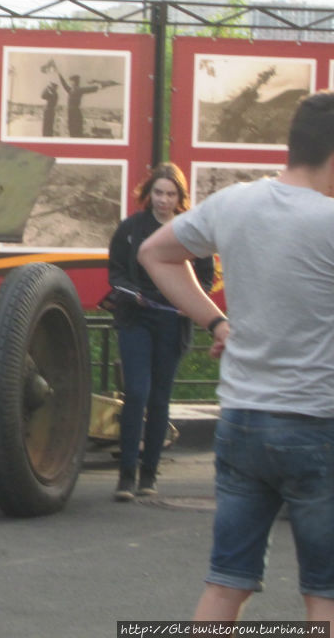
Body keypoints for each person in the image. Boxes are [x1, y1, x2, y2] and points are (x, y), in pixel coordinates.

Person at [138, 91, 334, 627]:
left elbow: (154, 252)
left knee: (227, 584)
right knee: (324, 595)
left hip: (243, 421)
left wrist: (215, 321)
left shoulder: (235, 203)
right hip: (319, 425)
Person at [105, 162, 213, 501]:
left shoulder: (189, 231)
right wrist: (130, 292)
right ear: (148, 193)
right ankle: (126, 475)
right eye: (158, 192)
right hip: (136, 317)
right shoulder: (131, 228)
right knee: (136, 392)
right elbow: (116, 271)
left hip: (173, 320)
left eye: (170, 194)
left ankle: (149, 475)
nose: (163, 200)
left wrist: (192, 303)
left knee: (159, 397)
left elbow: (207, 277)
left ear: (180, 198)